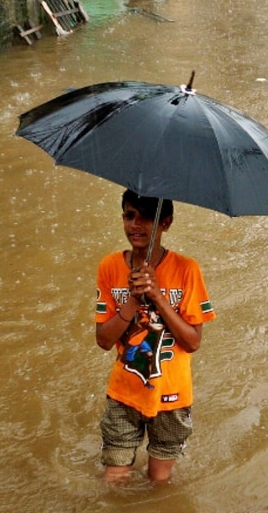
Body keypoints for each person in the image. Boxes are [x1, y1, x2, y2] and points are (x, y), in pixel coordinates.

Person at [94, 190, 216, 484]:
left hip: (172, 397)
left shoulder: (187, 270)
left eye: (147, 217)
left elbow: (193, 342)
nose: (135, 224)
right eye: (129, 215)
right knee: (114, 479)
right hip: (124, 393)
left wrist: (158, 297)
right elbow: (104, 340)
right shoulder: (110, 266)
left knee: (159, 481)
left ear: (166, 223)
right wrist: (133, 301)